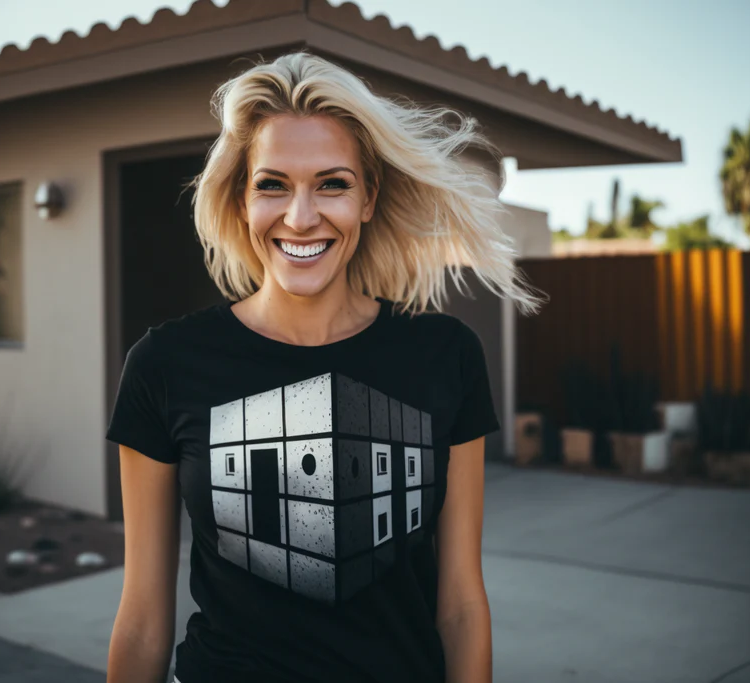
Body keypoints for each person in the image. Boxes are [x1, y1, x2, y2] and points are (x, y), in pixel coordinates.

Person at [104, 51, 541, 683]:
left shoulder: (444, 355)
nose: (300, 217)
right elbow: (143, 620)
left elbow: (462, 604)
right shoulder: (164, 366)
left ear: (368, 199)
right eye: (272, 184)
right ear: (241, 201)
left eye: (332, 184)